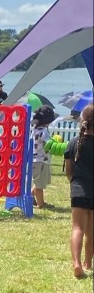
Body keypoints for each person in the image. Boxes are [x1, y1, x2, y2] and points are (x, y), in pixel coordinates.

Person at [64, 102, 94, 279]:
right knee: (92, 231)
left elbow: (69, 171)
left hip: (78, 190)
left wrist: (74, 183)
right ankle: (88, 262)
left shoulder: (74, 142)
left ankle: (76, 263)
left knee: (77, 228)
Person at [32, 105, 55, 209]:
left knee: (37, 181)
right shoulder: (43, 132)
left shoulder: (35, 130)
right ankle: (41, 204)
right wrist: (55, 143)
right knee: (39, 185)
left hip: (35, 159)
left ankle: (30, 196)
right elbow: (48, 145)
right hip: (41, 160)